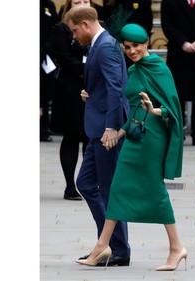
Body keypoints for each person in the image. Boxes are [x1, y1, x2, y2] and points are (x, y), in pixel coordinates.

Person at [75, 23, 186, 271]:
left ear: (147, 44)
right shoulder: (132, 70)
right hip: (134, 138)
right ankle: (103, 245)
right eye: (127, 47)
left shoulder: (159, 68)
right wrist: (116, 129)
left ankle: (177, 248)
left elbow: (172, 109)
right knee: (117, 189)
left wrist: (153, 109)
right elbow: (127, 104)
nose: (132, 50)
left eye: (136, 45)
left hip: (152, 138)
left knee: (156, 191)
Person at [63, 5, 131, 266]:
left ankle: (118, 249)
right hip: (99, 127)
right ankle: (108, 244)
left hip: (106, 132)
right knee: (88, 184)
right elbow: (107, 86)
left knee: (108, 190)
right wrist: (90, 93)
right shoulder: (100, 44)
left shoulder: (103, 47)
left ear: (86, 24)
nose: (73, 36)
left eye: (74, 30)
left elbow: (117, 88)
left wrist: (112, 128)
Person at [46, 0, 101, 200]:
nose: (81, 3)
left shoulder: (98, 26)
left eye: (85, 1)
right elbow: (64, 57)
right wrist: (89, 70)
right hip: (70, 90)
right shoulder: (61, 29)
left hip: (92, 89)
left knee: (90, 136)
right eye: (77, 1)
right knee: (70, 136)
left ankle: (88, 183)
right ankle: (70, 186)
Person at [161, 0, 195, 146]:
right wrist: (183, 42)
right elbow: (167, 24)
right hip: (178, 53)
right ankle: (177, 133)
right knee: (177, 95)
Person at [102, 0, 153, 68]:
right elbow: (107, 25)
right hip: (114, 49)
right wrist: (118, 43)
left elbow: (147, 25)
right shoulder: (109, 2)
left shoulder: (144, 2)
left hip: (137, 48)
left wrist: (135, 43)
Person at [40, 0, 58, 142]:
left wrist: (47, 49)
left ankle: (43, 130)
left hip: (46, 56)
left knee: (44, 94)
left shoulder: (49, 5)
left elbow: (54, 28)